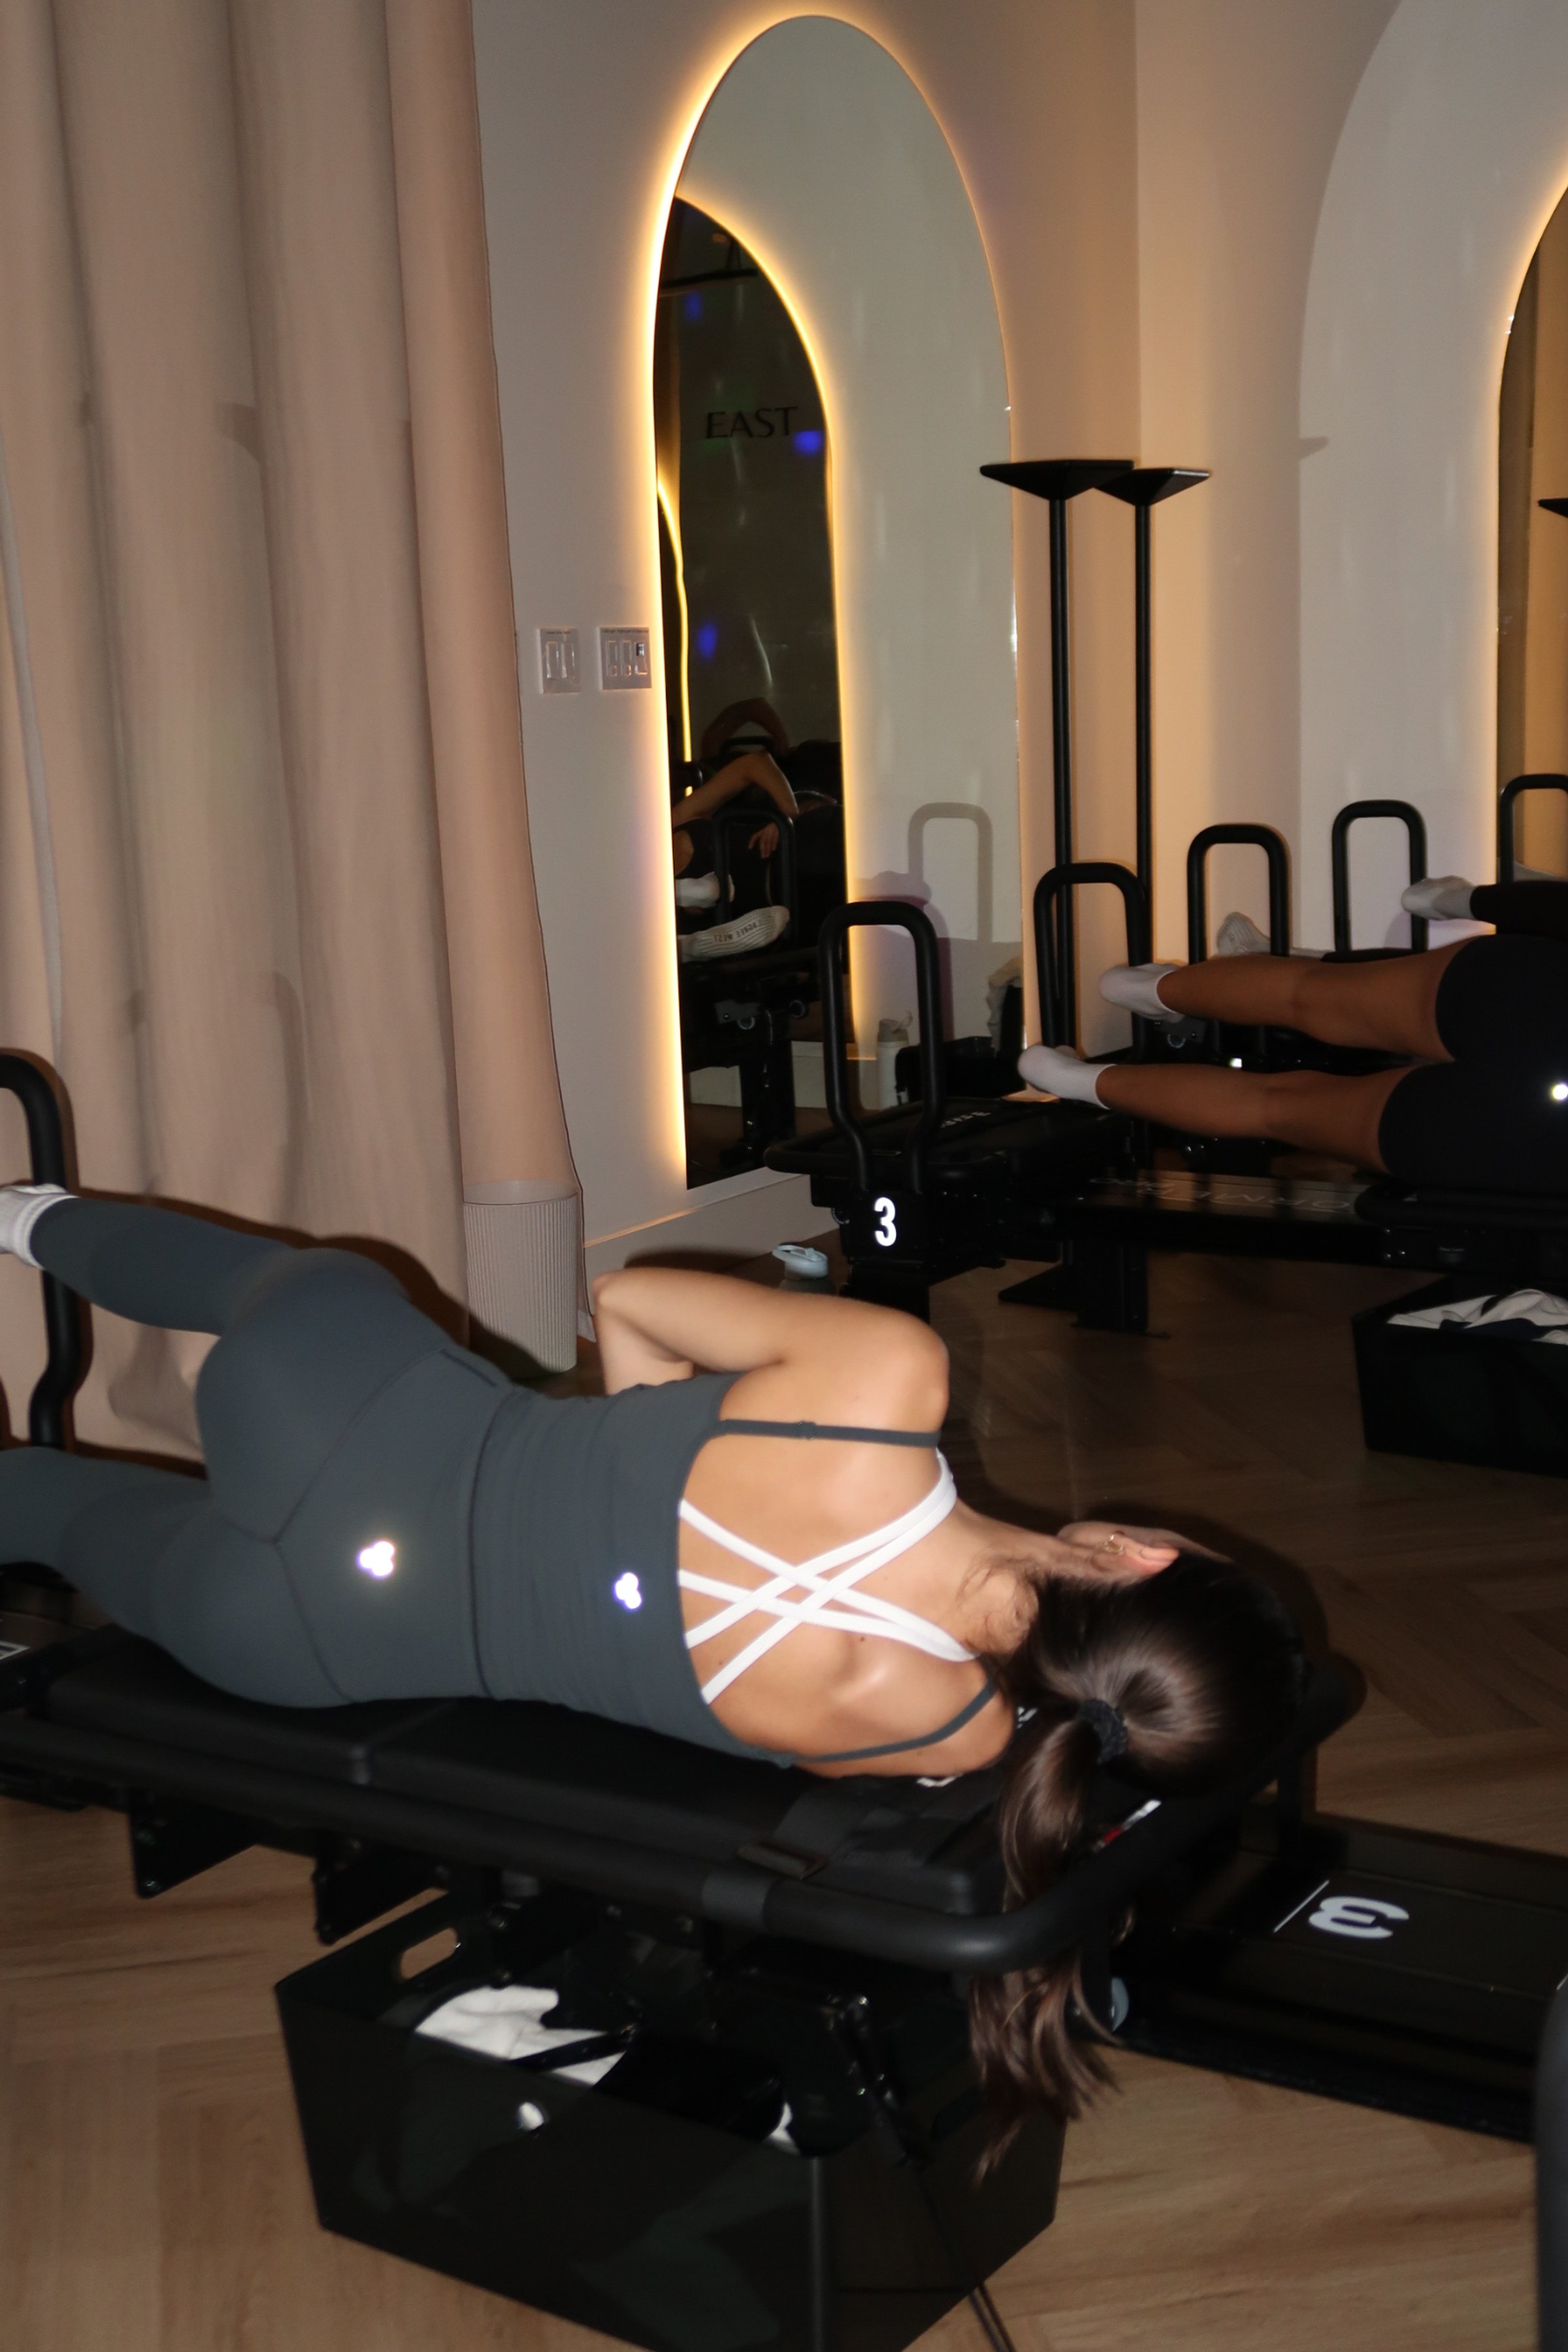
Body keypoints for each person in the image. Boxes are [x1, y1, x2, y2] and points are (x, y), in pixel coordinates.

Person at [0, 1184, 1303, 2126]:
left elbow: (624, 1298)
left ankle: (25, 1216)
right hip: (298, 1632)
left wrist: (643, 1449)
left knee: (303, 1283)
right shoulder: (942, 1728)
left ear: (1143, 1555)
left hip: (339, 1405)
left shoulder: (888, 1378)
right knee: (46, 1511)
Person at [1018, 875, 1568, 1194]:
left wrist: (1466, 901)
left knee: (1305, 992)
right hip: (1538, 1131)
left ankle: (1147, 988)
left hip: (1536, 1006)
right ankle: (1075, 1080)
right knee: (1274, 1108)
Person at [671, 745, 798, 962]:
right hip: (776, 917)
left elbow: (754, 763)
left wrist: (787, 814)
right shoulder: (644, 920)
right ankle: (694, 944)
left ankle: (687, 897)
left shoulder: (675, 820)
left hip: (790, 851)